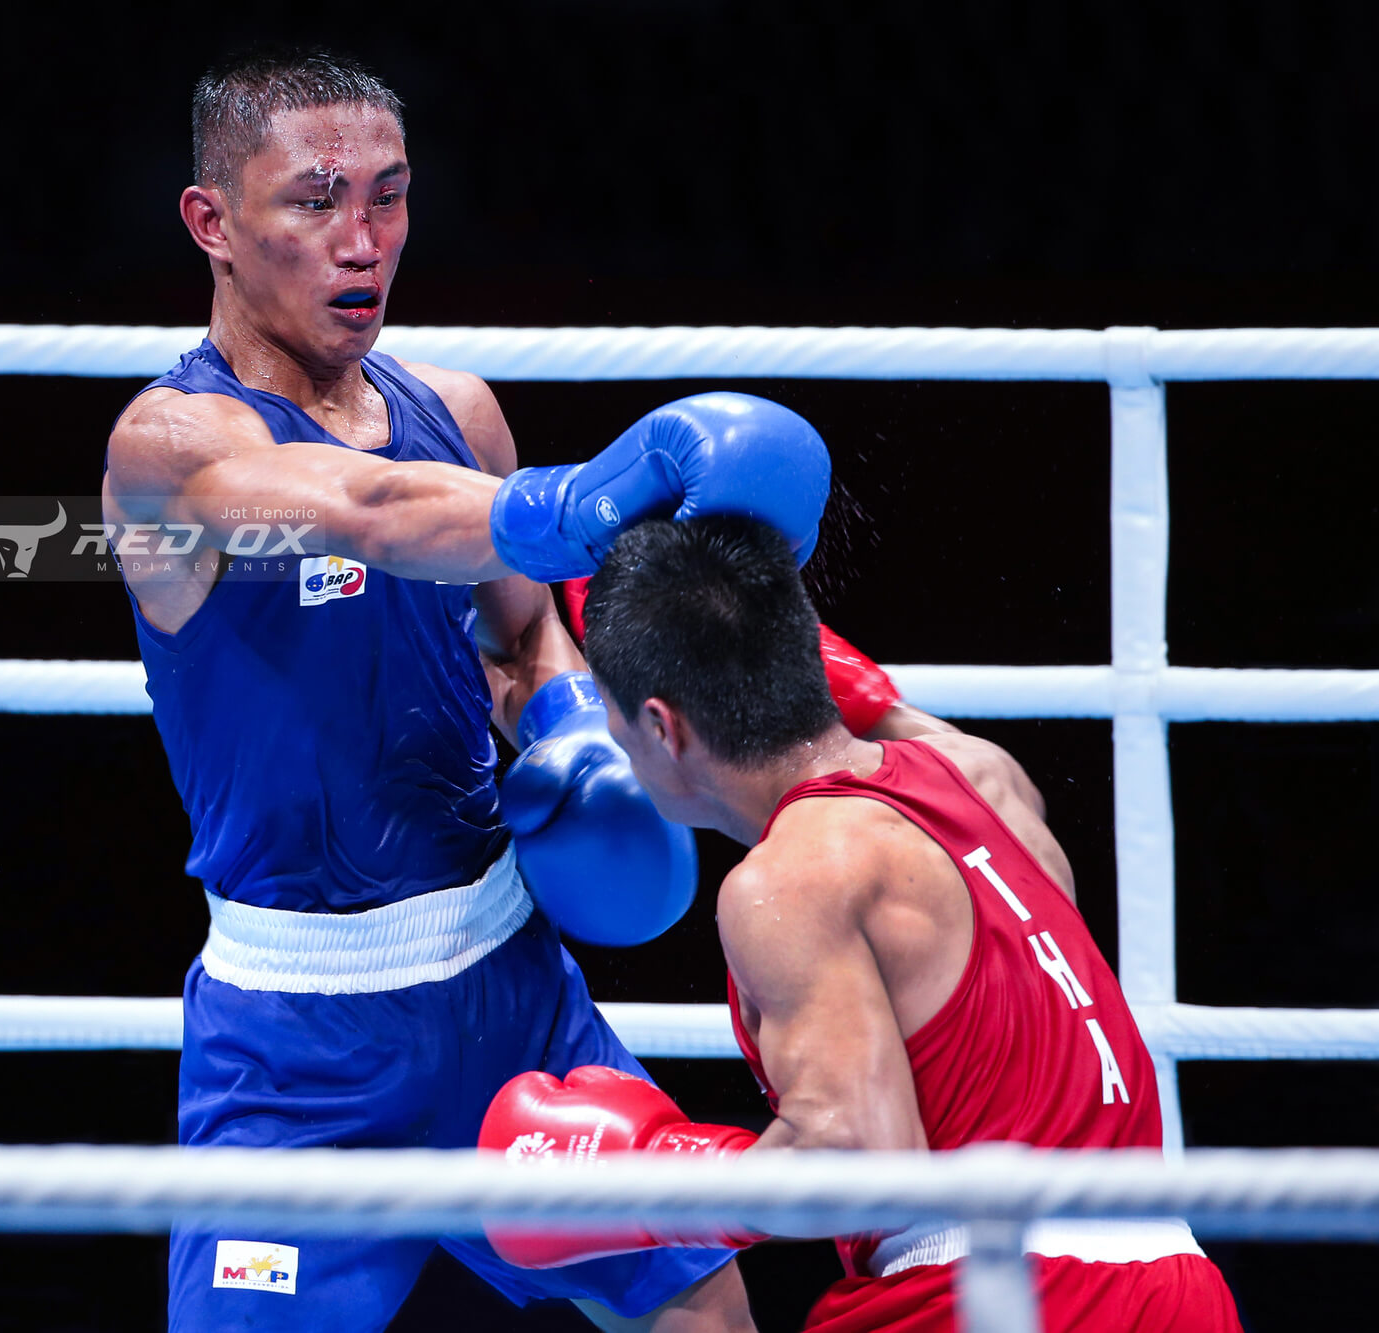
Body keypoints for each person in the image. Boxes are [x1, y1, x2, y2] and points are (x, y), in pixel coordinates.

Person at [101, 46, 883, 1333]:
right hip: (293, 1048)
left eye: (389, 197)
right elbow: (368, 509)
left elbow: (521, 640)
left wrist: (566, 722)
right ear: (213, 224)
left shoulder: (457, 413)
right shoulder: (171, 445)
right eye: (314, 202)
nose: (362, 242)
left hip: (507, 992)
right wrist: (593, 505)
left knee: (701, 1308)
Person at [477, 514, 1243, 1331]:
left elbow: (859, 1160)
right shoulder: (986, 778)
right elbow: (885, 721)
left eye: (617, 722)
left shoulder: (789, 878)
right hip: (1177, 1285)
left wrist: (646, 1184)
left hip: (992, 1294)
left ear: (663, 726)